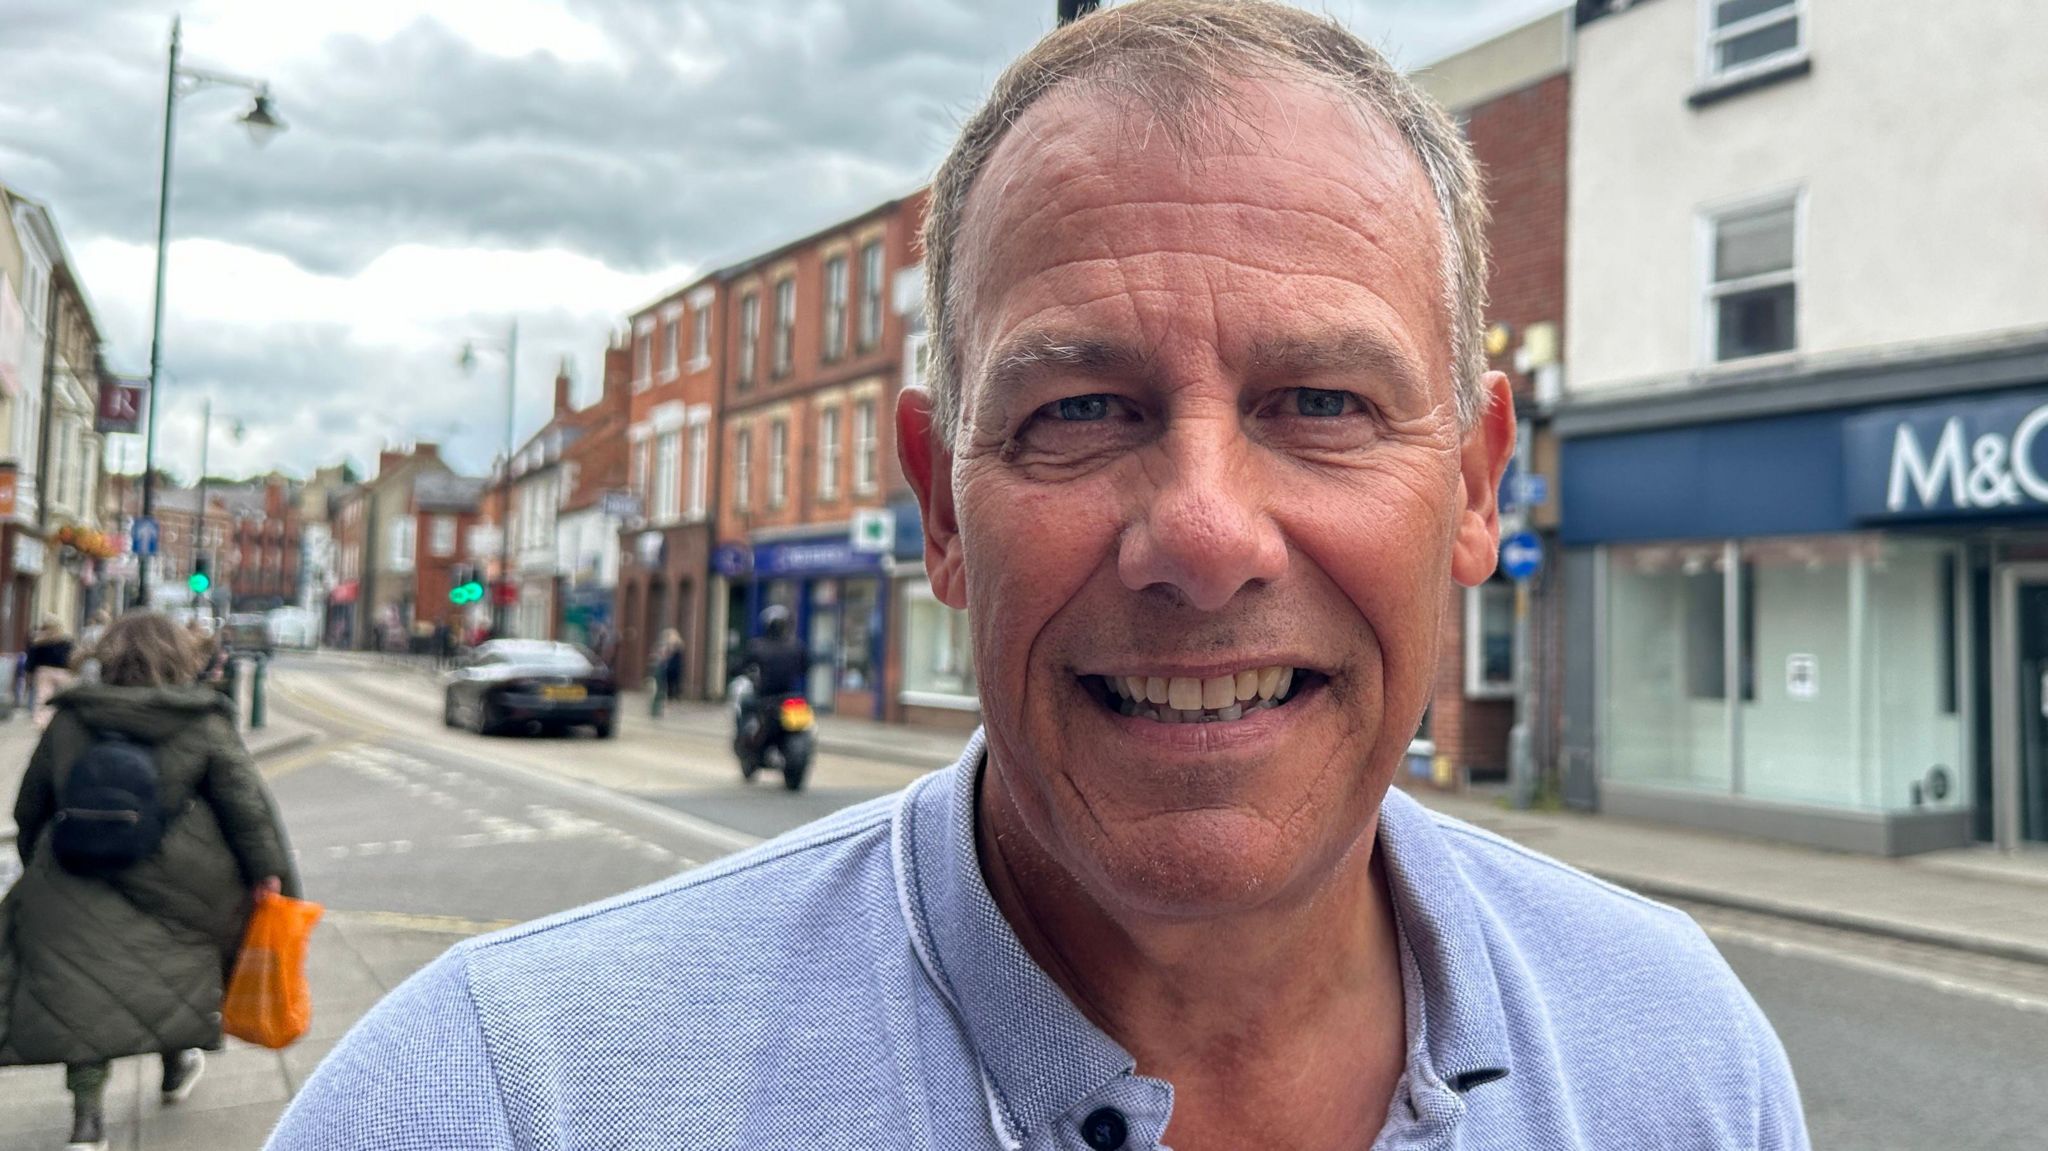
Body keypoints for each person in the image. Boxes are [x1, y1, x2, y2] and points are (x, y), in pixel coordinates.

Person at [270, 4, 1807, 1148]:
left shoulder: (1684, 1055)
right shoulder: (505, 1095)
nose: (1204, 536)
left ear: (1473, 485)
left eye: (1323, 404)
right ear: (941, 498)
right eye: (1081, 409)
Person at [1, 610, 298, 1151]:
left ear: (106, 655)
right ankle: (174, 1068)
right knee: (173, 976)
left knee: (83, 996)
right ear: (179, 656)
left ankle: (87, 1125)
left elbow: (30, 805)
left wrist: (36, 861)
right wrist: (270, 876)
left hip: (75, 874)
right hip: (180, 884)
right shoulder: (204, 722)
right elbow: (247, 809)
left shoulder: (70, 720)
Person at [25, 616, 76, 723]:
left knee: (43, 698)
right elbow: (72, 657)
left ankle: (43, 721)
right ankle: (61, 720)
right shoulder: (66, 641)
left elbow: (32, 660)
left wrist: (29, 673)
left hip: (44, 672)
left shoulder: (39, 641)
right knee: (63, 697)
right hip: (63, 672)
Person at [656, 627, 685, 701]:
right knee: (670, 681)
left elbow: (670, 654)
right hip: (670, 665)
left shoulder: (678, 644)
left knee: (674, 681)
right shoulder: (669, 644)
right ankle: (671, 696)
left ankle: (674, 695)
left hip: (674, 665)